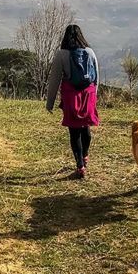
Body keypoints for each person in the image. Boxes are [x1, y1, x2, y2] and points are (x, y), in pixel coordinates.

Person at [46, 24, 100, 178]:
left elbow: (54, 80)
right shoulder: (90, 52)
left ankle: (80, 166)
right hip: (88, 95)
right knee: (86, 128)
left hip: (71, 96)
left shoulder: (61, 54)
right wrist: (93, 97)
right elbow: (96, 76)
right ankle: (85, 155)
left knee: (74, 131)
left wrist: (50, 103)